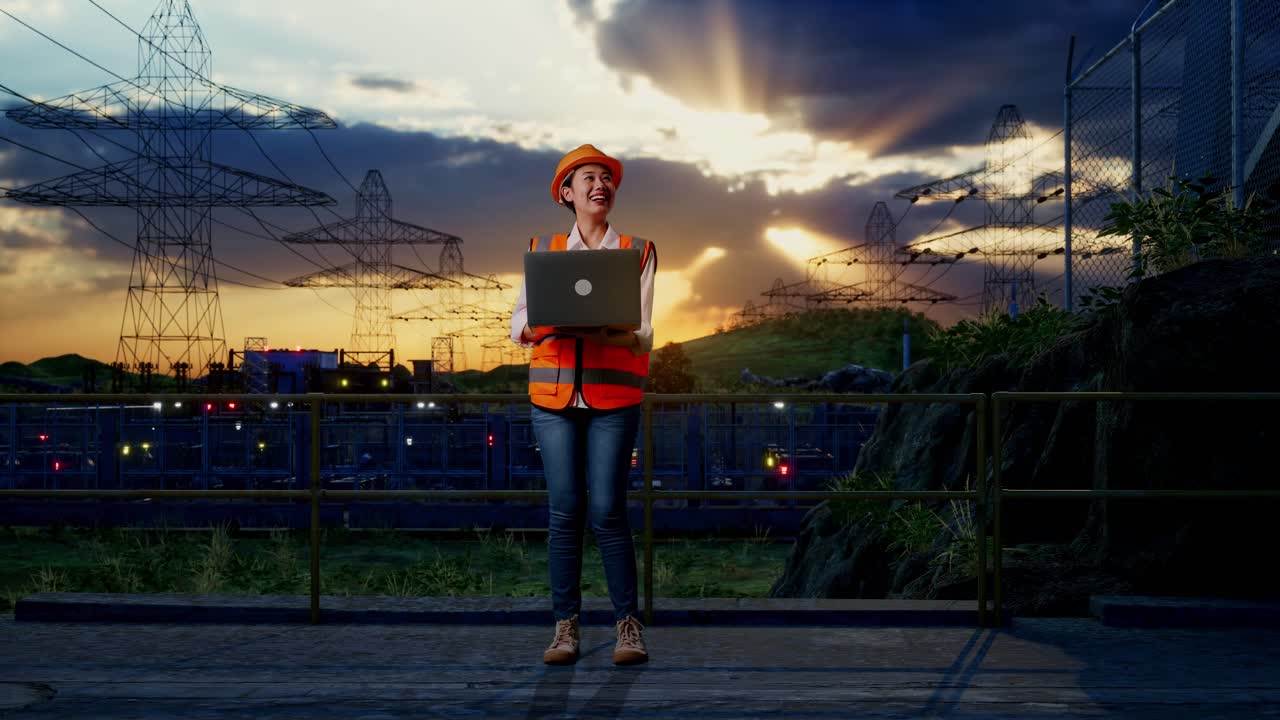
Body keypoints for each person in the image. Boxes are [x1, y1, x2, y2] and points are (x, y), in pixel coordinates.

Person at [510, 143, 656, 666]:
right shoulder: (542, 248)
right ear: (566, 193)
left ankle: (627, 626)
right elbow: (518, 323)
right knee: (564, 512)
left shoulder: (638, 250)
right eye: (589, 178)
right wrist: (544, 324)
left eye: (606, 178)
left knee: (608, 513)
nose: (600, 185)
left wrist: (605, 329)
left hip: (613, 397)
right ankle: (565, 627)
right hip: (552, 399)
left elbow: (643, 331)